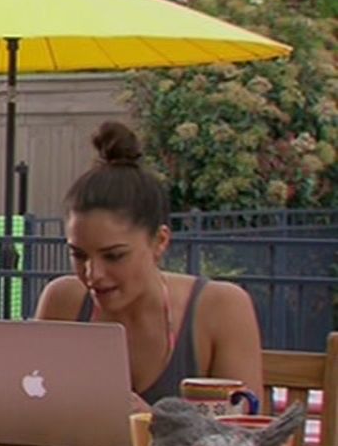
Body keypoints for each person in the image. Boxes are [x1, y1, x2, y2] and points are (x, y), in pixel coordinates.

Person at [34, 121, 264, 408]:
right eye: (79, 255)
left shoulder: (221, 308)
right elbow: (33, 408)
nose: (94, 274)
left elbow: (245, 428)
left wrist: (152, 423)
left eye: (114, 256)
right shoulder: (62, 303)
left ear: (160, 241)